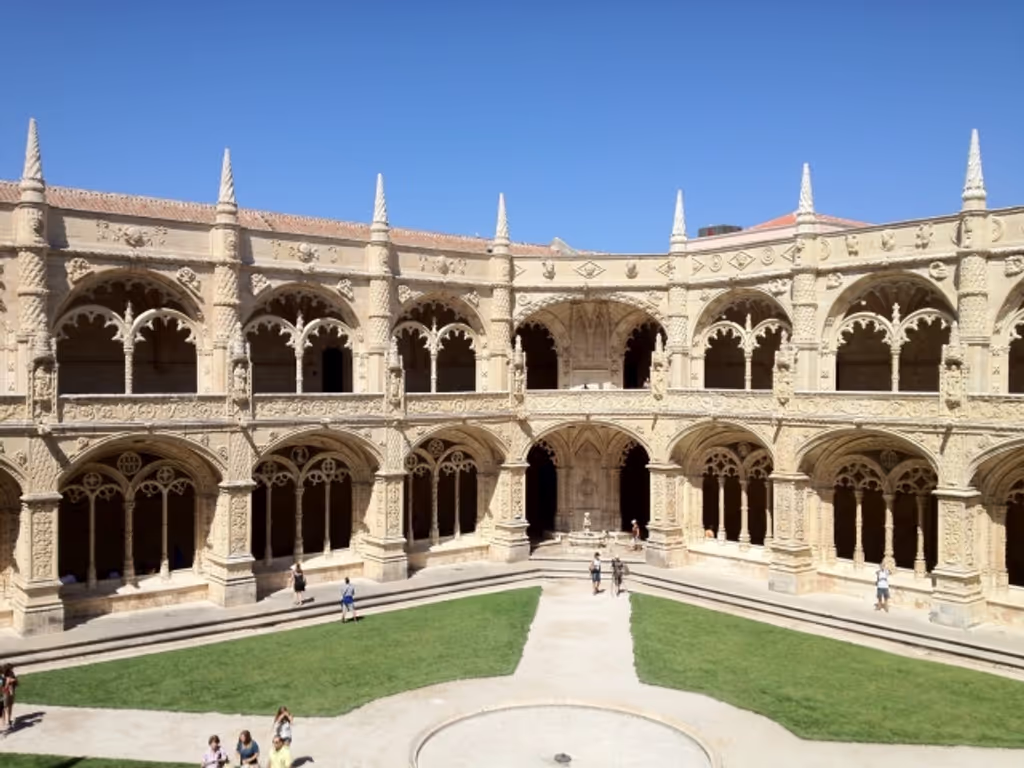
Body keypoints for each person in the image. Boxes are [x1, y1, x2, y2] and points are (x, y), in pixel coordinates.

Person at [1, 664, 16, 732]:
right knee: (4, 707)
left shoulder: (12, 675)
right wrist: (7, 682)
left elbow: (17, 683)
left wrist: (14, 681)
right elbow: (2, 688)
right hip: (5, 694)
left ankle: (8, 720)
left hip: (11, 693)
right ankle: (3, 721)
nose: (12, 670)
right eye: (11, 669)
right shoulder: (2, 678)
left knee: (10, 706)